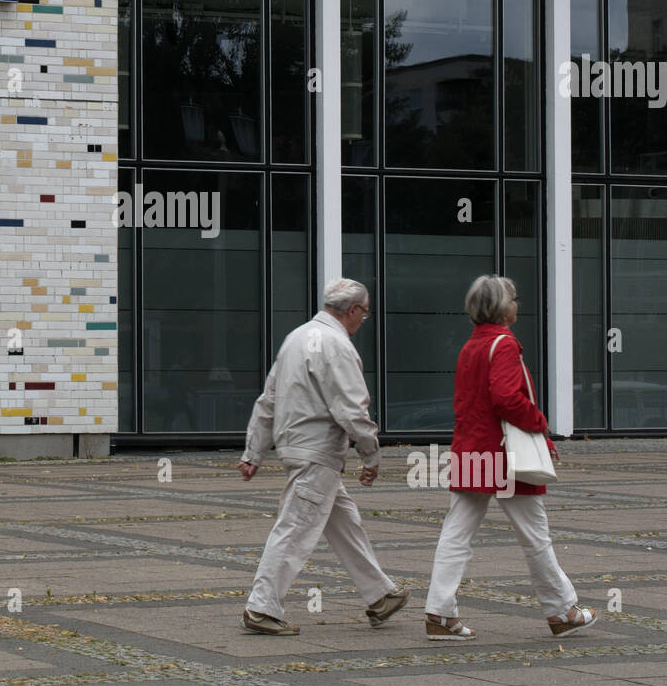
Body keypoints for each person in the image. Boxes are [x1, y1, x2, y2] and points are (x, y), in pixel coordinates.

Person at [423, 274, 596, 640]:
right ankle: (562, 610)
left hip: (471, 448)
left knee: (456, 534)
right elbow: (506, 398)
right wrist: (540, 423)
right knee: (535, 535)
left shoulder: (472, 346)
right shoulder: (504, 344)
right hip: (503, 455)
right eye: (514, 298)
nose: (518, 303)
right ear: (502, 307)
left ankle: (439, 613)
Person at [238, 278, 408, 634]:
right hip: (318, 451)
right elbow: (352, 408)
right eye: (365, 312)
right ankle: (261, 607)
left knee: (345, 524)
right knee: (296, 528)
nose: (365, 319)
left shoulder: (296, 338)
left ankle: (381, 595)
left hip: (300, 448)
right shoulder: (337, 345)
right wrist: (370, 454)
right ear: (354, 310)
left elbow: (268, 399)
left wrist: (254, 450)